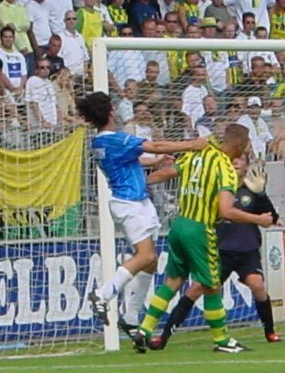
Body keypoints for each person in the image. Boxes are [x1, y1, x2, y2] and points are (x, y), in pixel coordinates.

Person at [132, 124, 274, 353]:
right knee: (212, 285)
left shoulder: (200, 154)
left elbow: (169, 172)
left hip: (178, 225)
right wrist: (259, 220)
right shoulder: (225, 168)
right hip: (200, 228)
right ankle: (223, 340)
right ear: (239, 144)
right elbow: (226, 211)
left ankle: (144, 330)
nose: (247, 148)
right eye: (247, 143)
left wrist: (139, 184)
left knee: (173, 281)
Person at [80, 92, 210, 331]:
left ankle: (131, 317)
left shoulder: (100, 142)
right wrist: (193, 144)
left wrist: (156, 161)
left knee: (150, 263)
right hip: (130, 202)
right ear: (110, 112)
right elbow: (155, 144)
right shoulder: (116, 139)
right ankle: (101, 295)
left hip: (137, 202)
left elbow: (132, 161)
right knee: (147, 256)